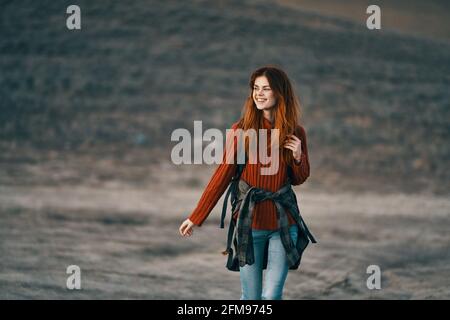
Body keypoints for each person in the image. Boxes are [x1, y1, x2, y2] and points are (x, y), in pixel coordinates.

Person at [179, 65, 313, 300]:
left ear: (280, 93)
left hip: (284, 225)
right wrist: (196, 217)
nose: (259, 94)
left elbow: (299, 179)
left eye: (266, 88)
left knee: (271, 297)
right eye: (255, 88)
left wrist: (298, 157)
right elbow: (221, 176)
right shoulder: (241, 131)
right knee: (251, 298)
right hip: (249, 225)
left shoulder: (296, 132)